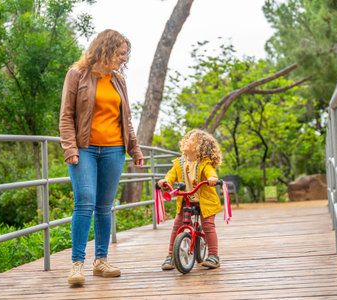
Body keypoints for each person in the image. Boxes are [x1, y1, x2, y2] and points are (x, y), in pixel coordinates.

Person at [59, 29, 144, 286]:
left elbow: (126, 119)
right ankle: (77, 264)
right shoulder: (77, 75)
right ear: (105, 49)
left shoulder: (119, 81)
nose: (123, 59)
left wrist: (135, 149)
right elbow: (66, 116)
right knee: (85, 201)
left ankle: (101, 261)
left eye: (125, 55)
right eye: (120, 54)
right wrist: (70, 148)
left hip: (114, 150)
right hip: (84, 149)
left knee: (105, 207)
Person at [157, 129, 222, 270]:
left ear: (201, 146)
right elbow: (171, 175)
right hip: (186, 200)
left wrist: (212, 179)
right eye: (186, 138)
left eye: (191, 139)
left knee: (208, 226)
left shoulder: (205, 163)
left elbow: (211, 173)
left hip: (206, 201)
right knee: (177, 225)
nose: (187, 140)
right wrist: (165, 182)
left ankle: (213, 255)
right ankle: (171, 256)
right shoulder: (179, 163)